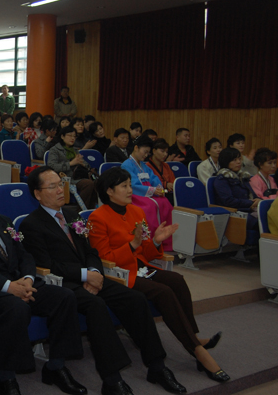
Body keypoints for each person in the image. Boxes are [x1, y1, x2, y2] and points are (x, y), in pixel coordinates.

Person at [22, 166, 189, 395]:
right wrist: (84, 275)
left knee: (135, 298)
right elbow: (48, 266)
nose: (61, 190)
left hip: (90, 275)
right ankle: (111, 379)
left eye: (60, 184)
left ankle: (157, 365)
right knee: (96, 305)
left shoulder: (73, 215)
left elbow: (91, 250)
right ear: (37, 194)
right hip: (62, 283)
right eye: (52, 187)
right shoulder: (31, 224)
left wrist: (94, 272)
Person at [0, 171, 86, 395]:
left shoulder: (4, 221)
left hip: (20, 283)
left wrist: (28, 279)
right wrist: (9, 287)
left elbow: (25, 255)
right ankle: (7, 377)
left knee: (64, 297)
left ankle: (56, 365)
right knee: (16, 307)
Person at [88, 167, 229, 385]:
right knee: (162, 292)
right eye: (124, 186)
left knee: (177, 280)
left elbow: (145, 251)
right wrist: (132, 244)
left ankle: (192, 336)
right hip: (120, 274)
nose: (129, 190)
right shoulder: (98, 217)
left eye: (128, 184)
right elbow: (103, 258)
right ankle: (197, 350)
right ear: (109, 191)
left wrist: (155, 241)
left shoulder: (136, 212)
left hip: (140, 266)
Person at [121, 136, 173, 250]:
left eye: (148, 153)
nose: (146, 155)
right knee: (149, 207)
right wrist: (153, 190)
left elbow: (154, 179)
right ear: (136, 148)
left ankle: (166, 243)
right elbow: (133, 185)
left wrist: (159, 188)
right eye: (145, 152)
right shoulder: (126, 165)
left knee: (166, 203)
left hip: (149, 194)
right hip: (136, 195)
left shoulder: (144, 166)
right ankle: (150, 244)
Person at [47, 126, 98, 209]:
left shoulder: (75, 150)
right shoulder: (55, 150)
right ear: (62, 136)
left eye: (74, 136)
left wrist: (83, 164)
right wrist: (70, 163)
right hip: (64, 179)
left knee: (96, 183)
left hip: (77, 177)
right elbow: (52, 166)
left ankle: (91, 211)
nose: (72, 138)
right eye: (70, 135)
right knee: (88, 184)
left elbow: (87, 165)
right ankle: (79, 211)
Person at [213, 148, 261, 232]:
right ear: (226, 161)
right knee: (264, 220)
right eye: (234, 160)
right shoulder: (222, 179)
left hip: (249, 209)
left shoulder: (242, 176)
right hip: (236, 212)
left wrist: (258, 200)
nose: (238, 162)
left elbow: (252, 194)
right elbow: (228, 201)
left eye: (239, 159)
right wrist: (251, 203)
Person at [146, 139, 176, 205]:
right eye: (162, 151)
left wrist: (170, 186)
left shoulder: (166, 166)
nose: (165, 154)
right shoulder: (147, 167)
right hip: (156, 194)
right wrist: (165, 184)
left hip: (168, 192)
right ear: (154, 151)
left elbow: (173, 181)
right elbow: (149, 184)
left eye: (166, 152)